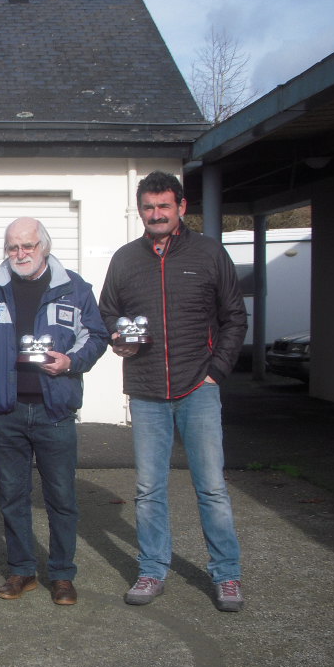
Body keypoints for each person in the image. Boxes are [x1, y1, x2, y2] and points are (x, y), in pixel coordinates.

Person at [99, 171, 248, 612]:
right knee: (148, 490)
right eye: (149, 207)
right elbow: (109, 311)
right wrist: (118, 337)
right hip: (146, 391)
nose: (156, 214)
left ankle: (227, 575)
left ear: (181, 207)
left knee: (212, 488)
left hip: (197, 387)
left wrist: (217, 371)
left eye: (164, 206)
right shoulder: (125, 259)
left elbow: (234, 318)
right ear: (140, 210)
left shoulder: (208, 253)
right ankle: (151, 570)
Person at [0, 217, 107, 606]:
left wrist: (71, 362)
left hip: (54, 409)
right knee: (12, 495)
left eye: (27, 246)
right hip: (6, 411)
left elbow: (97, 336)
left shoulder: (74, 288)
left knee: (61, 496)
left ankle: (62, 575)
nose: (20, 253)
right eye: (13, 247)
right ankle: (22, 570)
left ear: (44, 246)